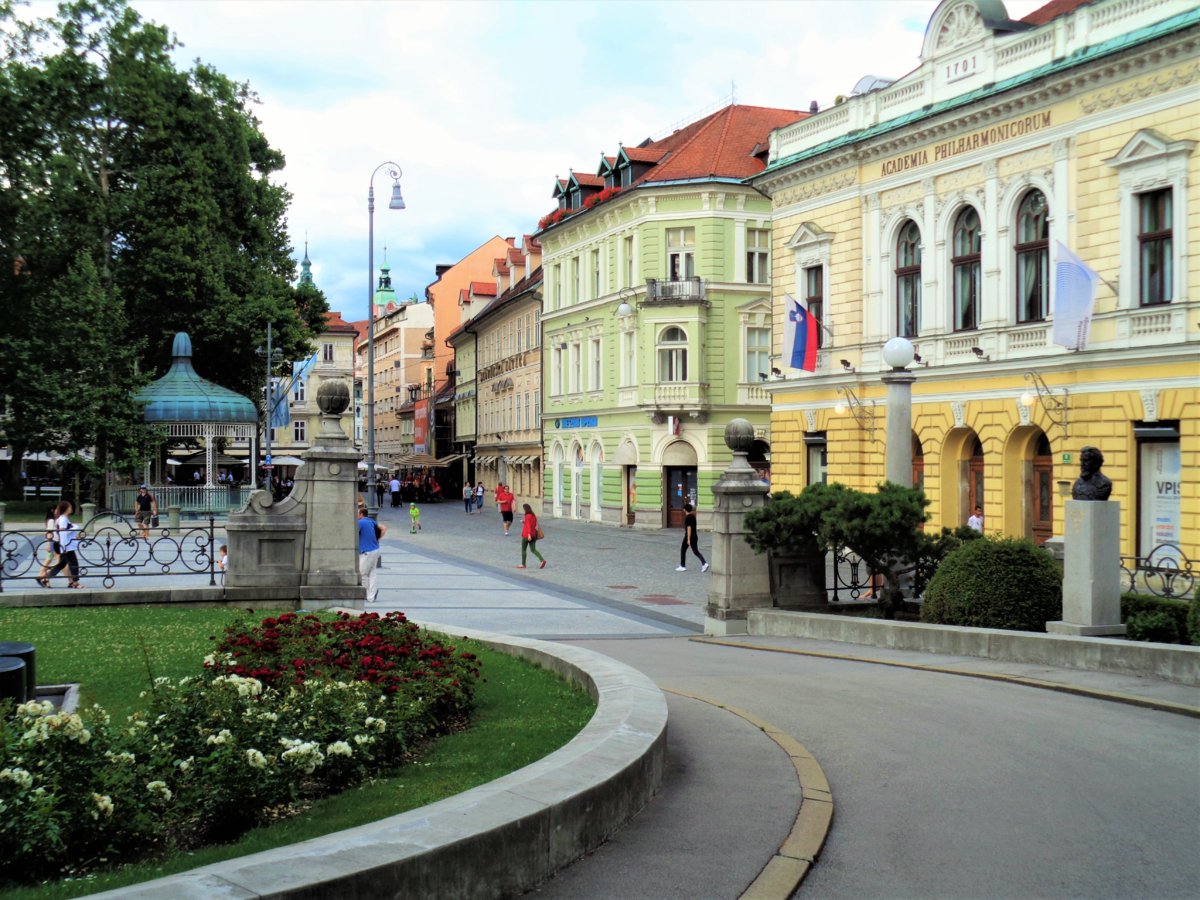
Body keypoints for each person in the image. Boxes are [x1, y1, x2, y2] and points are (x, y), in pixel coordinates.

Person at [40, 500, 82, 589]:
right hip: (66, 546)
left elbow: (66, 531)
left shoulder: (63, 519)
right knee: (74, 564)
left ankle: (46, 577)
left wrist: (74, 532)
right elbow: (62, 533)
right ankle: (75, 583)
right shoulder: (62, 519)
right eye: (70, 507)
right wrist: (64, 547)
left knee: (60, 564)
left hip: (65, 546)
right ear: (66, 509)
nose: (71, 508)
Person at [357, 506, 386, 603]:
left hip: (367, 552)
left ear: (361, 514)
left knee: (363, 573)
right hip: (375, 549)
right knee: (372, 573)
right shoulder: (370, 521)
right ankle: (371, 596)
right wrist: (378, 540)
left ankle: (365, 594)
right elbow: (383, 528)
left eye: (357, 513)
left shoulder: (360, 522)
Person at [676, 502, 709, 572]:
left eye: (683, 509)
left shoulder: (688, 518)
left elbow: (689, 528)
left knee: (683, 550)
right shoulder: (693, 516)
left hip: (689, 536)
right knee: (695, 551)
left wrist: (688, 539)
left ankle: (682, 566)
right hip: (694, 536)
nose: (683, 510)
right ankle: (704, 563)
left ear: (685, 509)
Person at [36, 504, 59, 586]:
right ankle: (45, 576)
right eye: (57, 510)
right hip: (53, 542)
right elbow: (49, 532)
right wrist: (49, 544)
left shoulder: (52, 520)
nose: (58, 511)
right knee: (59, 562)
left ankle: (40, 576)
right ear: (53, 510)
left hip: (53, 542)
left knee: (48, 560)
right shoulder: (51, 521)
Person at [518, 503, 546, 569]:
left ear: (525, 509)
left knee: (523, 550)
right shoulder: (533, 516)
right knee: (533, 550)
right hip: (534, 535)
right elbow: (533, 524)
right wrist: (523, 522)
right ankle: (542, 560)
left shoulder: (527, 516)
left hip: (527, 535)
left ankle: (523, 564)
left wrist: (528, 535)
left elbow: (528, 526)